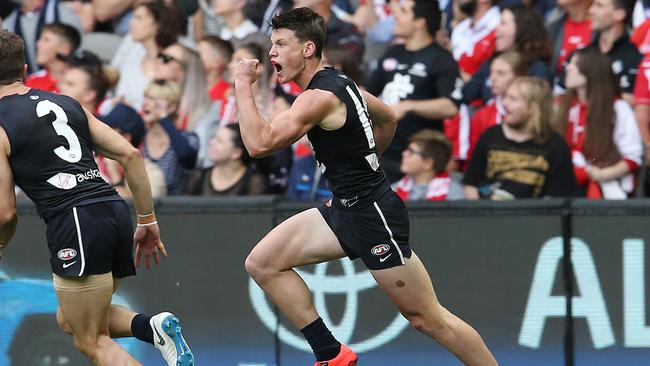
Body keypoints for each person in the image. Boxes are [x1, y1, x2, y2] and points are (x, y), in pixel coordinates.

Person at [235, 7, 497, 366]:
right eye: (272, 44)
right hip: (346, 206)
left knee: (428, 319)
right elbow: (387, 115)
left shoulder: (317, 97)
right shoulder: (338, 81)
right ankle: (331, 353)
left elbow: (258, 144)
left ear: (308, 49)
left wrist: (241, 84)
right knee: (263, 263)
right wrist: (367, 155)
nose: (272, 53)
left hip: (372, 213)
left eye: (281, 43)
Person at [0, 30, 193, 366]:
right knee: (70, 320)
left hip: (74, 221)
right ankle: (153, 327)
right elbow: (131, 155)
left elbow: (4, 213)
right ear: (25, 68)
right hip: (113, 211)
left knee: (91, 341)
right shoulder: (65, 102)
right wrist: (147, 220)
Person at [365, 0, 460, 183]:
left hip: (415, 160)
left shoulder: (441, 59)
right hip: (381, 151)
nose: (395, 15)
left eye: (403, 11)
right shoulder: (393, 52)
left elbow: (450, 106)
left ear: (420, 22)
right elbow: (368, 91)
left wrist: (408, 106)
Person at [463, 77, 577, 200]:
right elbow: (471, 184)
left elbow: (555, 198)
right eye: (505, 97)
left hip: (531, 216)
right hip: (488, 213)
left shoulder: (556, 146)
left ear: (532, 108)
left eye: (513, 99)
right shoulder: (490, 136)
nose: (505, 103)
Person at [556, 47, 643, 198]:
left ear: (591, 71)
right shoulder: (565, 106)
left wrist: (600, 174)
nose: (568, 67)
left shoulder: (617, 108)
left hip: (605, 187)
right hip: (568, 184)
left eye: (575, 64)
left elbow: (633, 156)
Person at [185, 123, 268, 195]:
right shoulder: (199, 177)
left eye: (219, 141)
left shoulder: (254, 182)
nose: (211, 142)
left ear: (236, 153)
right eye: (214, 138)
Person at [393, 129, 456, 201]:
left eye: (411, 151)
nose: (404, 153)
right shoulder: (394, 190)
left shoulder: (453, 194)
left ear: (428, 163)